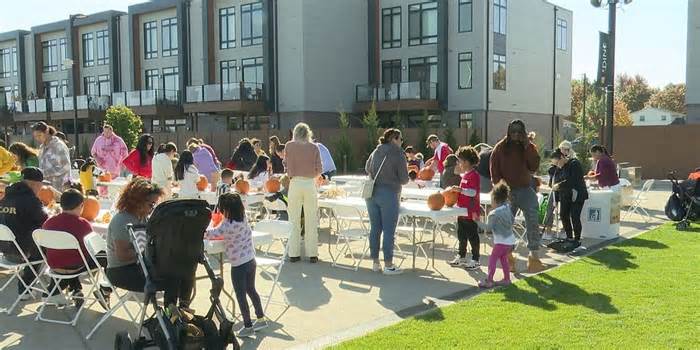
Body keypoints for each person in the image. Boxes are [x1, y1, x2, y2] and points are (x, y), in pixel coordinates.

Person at [106, 179, 193, 307]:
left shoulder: (142, 217)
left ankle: (181, 310)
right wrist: (152, 251)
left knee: (184, 269)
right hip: (121, 271)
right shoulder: (122, 220)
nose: (152, 209)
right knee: (172, 280)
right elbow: (123, 255)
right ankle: (170, 316)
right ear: (137, 201)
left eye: (154, 205)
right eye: (151, 204)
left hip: (139, 266)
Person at [205, 193, 268, 338]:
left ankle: (247, 326)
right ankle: (261, 318)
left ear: (226, 210)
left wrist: (201, 230)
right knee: (251, 290)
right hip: (250, 260)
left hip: (238, 265)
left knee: (241, 295)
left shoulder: (227, 225)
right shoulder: (243, 217)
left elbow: (212, 234)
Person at [490, 120, 545, 273]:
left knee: (533, 222)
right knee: (506, 225)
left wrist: (527, 145)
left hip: (525, 189)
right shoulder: (500, 148)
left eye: (518, 132)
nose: (515, 135)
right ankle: (509, 258)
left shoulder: (528, 146)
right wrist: (501, 191)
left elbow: (534, 165)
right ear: (508, 132)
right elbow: (494, 170)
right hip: (507, 191)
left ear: (523, 132)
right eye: (512, 132)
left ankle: (534, 257)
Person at [41, 189, 110, 306]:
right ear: (81, 206)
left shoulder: (48, 223)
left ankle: (74, 289)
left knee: (71, 255)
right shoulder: (83, 224)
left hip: (54, 266)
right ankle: (105, 289)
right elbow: (91, 249)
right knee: (106, 256)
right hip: (75, 267)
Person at [0, 167, 49, 300]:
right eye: (40, 186)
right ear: (34, 184)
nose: (40, 189)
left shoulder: (5, 198)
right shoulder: (30, 200)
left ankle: (28, 289)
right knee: (50, 245)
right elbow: (46, 222)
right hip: (23, 254)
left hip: (5, 252)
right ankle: (53, 288)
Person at [365, 128, 409, 275]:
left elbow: (367, 167)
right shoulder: (398, 153)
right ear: (394, 139)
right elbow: (404, 179)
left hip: (371, 194)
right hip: (389, 194)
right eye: (400, 139)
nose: (402, 142)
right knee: (389, 230)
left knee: (375, 228)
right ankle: (388, 264)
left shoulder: (375, 151)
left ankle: (375, 262)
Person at [284, 123, 322, 263]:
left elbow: (286, 164)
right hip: (309, 182)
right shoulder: (314, 147)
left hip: (295, 182)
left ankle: (293, 253)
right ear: (308, 133)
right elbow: (319, 169)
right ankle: (312, 253)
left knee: (293, 218)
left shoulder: (289, 145)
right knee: (311, 218)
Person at [476, 182, 516, 288]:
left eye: (491, 200)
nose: (490, 202)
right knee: (503, 259)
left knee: (493, 259)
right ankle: (507, 279)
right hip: (510, 240)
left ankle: (489, 280)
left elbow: (488, 228)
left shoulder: (493, 214)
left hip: (501, 242)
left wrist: (477, 221)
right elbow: (512, 220)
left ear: (495, 200)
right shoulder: (507, 207)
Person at [448, 146, 481, 269]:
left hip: (470, 212)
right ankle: (461, 256)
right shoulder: (465, 175)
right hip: (461, 211)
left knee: (473, 236)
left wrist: (460, 190)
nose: (459, 164)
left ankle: (475, 259)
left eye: (460, 161)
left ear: (466, 162)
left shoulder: (474, 175)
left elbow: (473, 192)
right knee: (461, 236)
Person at [550, 148, 589, 242]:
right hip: (565, 195)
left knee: (575, 216)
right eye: (555, 164)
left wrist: (559, 185)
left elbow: (572, 180)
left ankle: (577, 239)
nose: (557, 166)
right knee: (563, 215)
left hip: (577, 194)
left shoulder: (574, 164)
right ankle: (569, 237)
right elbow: (555, 182)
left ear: (562, 157)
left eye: (557, 163)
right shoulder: (559, 168)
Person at [33, 122, 71, 189]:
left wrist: (43, 173)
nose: (37, 138)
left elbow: (65, 167)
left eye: (39, 135)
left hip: (60, 188)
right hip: (46, 188)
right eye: (35, 136)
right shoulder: (42, 147)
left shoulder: (59, 146)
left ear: (47, 132)